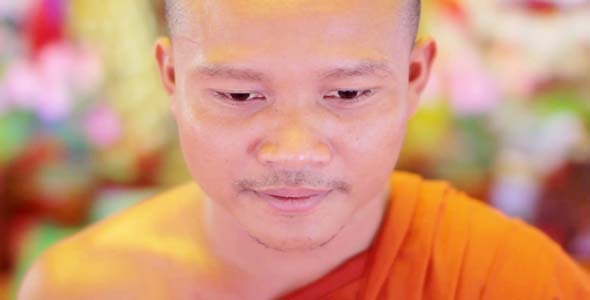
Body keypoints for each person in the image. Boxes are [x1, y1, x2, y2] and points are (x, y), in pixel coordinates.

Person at [18, 0, 590, 299]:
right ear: (170, 78)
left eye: (348, 93)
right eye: (239, 94)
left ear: (415, 78)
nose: (294, 151)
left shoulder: (511, 281)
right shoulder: (80, 288)